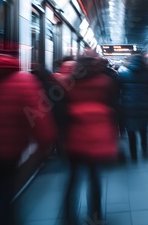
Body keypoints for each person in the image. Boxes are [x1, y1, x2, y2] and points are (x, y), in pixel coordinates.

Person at [0, 53, 57, 225]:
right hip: (5, 156)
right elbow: (41, 123)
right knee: (0, 199)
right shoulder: (24, 81)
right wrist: (45, 145)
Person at [56, 49, 119, 224]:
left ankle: (68, 217)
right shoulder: (107, 83)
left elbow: (60, 113)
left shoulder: (67, 83)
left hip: (73, 140)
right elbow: (115, 112)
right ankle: (95, 216)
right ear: (97, 64)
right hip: (98, 140)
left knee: (72, 179)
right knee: (94, 178)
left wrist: (60, 139)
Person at [118, 53, 148, 162]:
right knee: (144, 131)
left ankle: (133, 155)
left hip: (129, 108)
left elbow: (120, 92)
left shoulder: (124, 74)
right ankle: (144, 151)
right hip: (144, 108)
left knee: (131, 132)